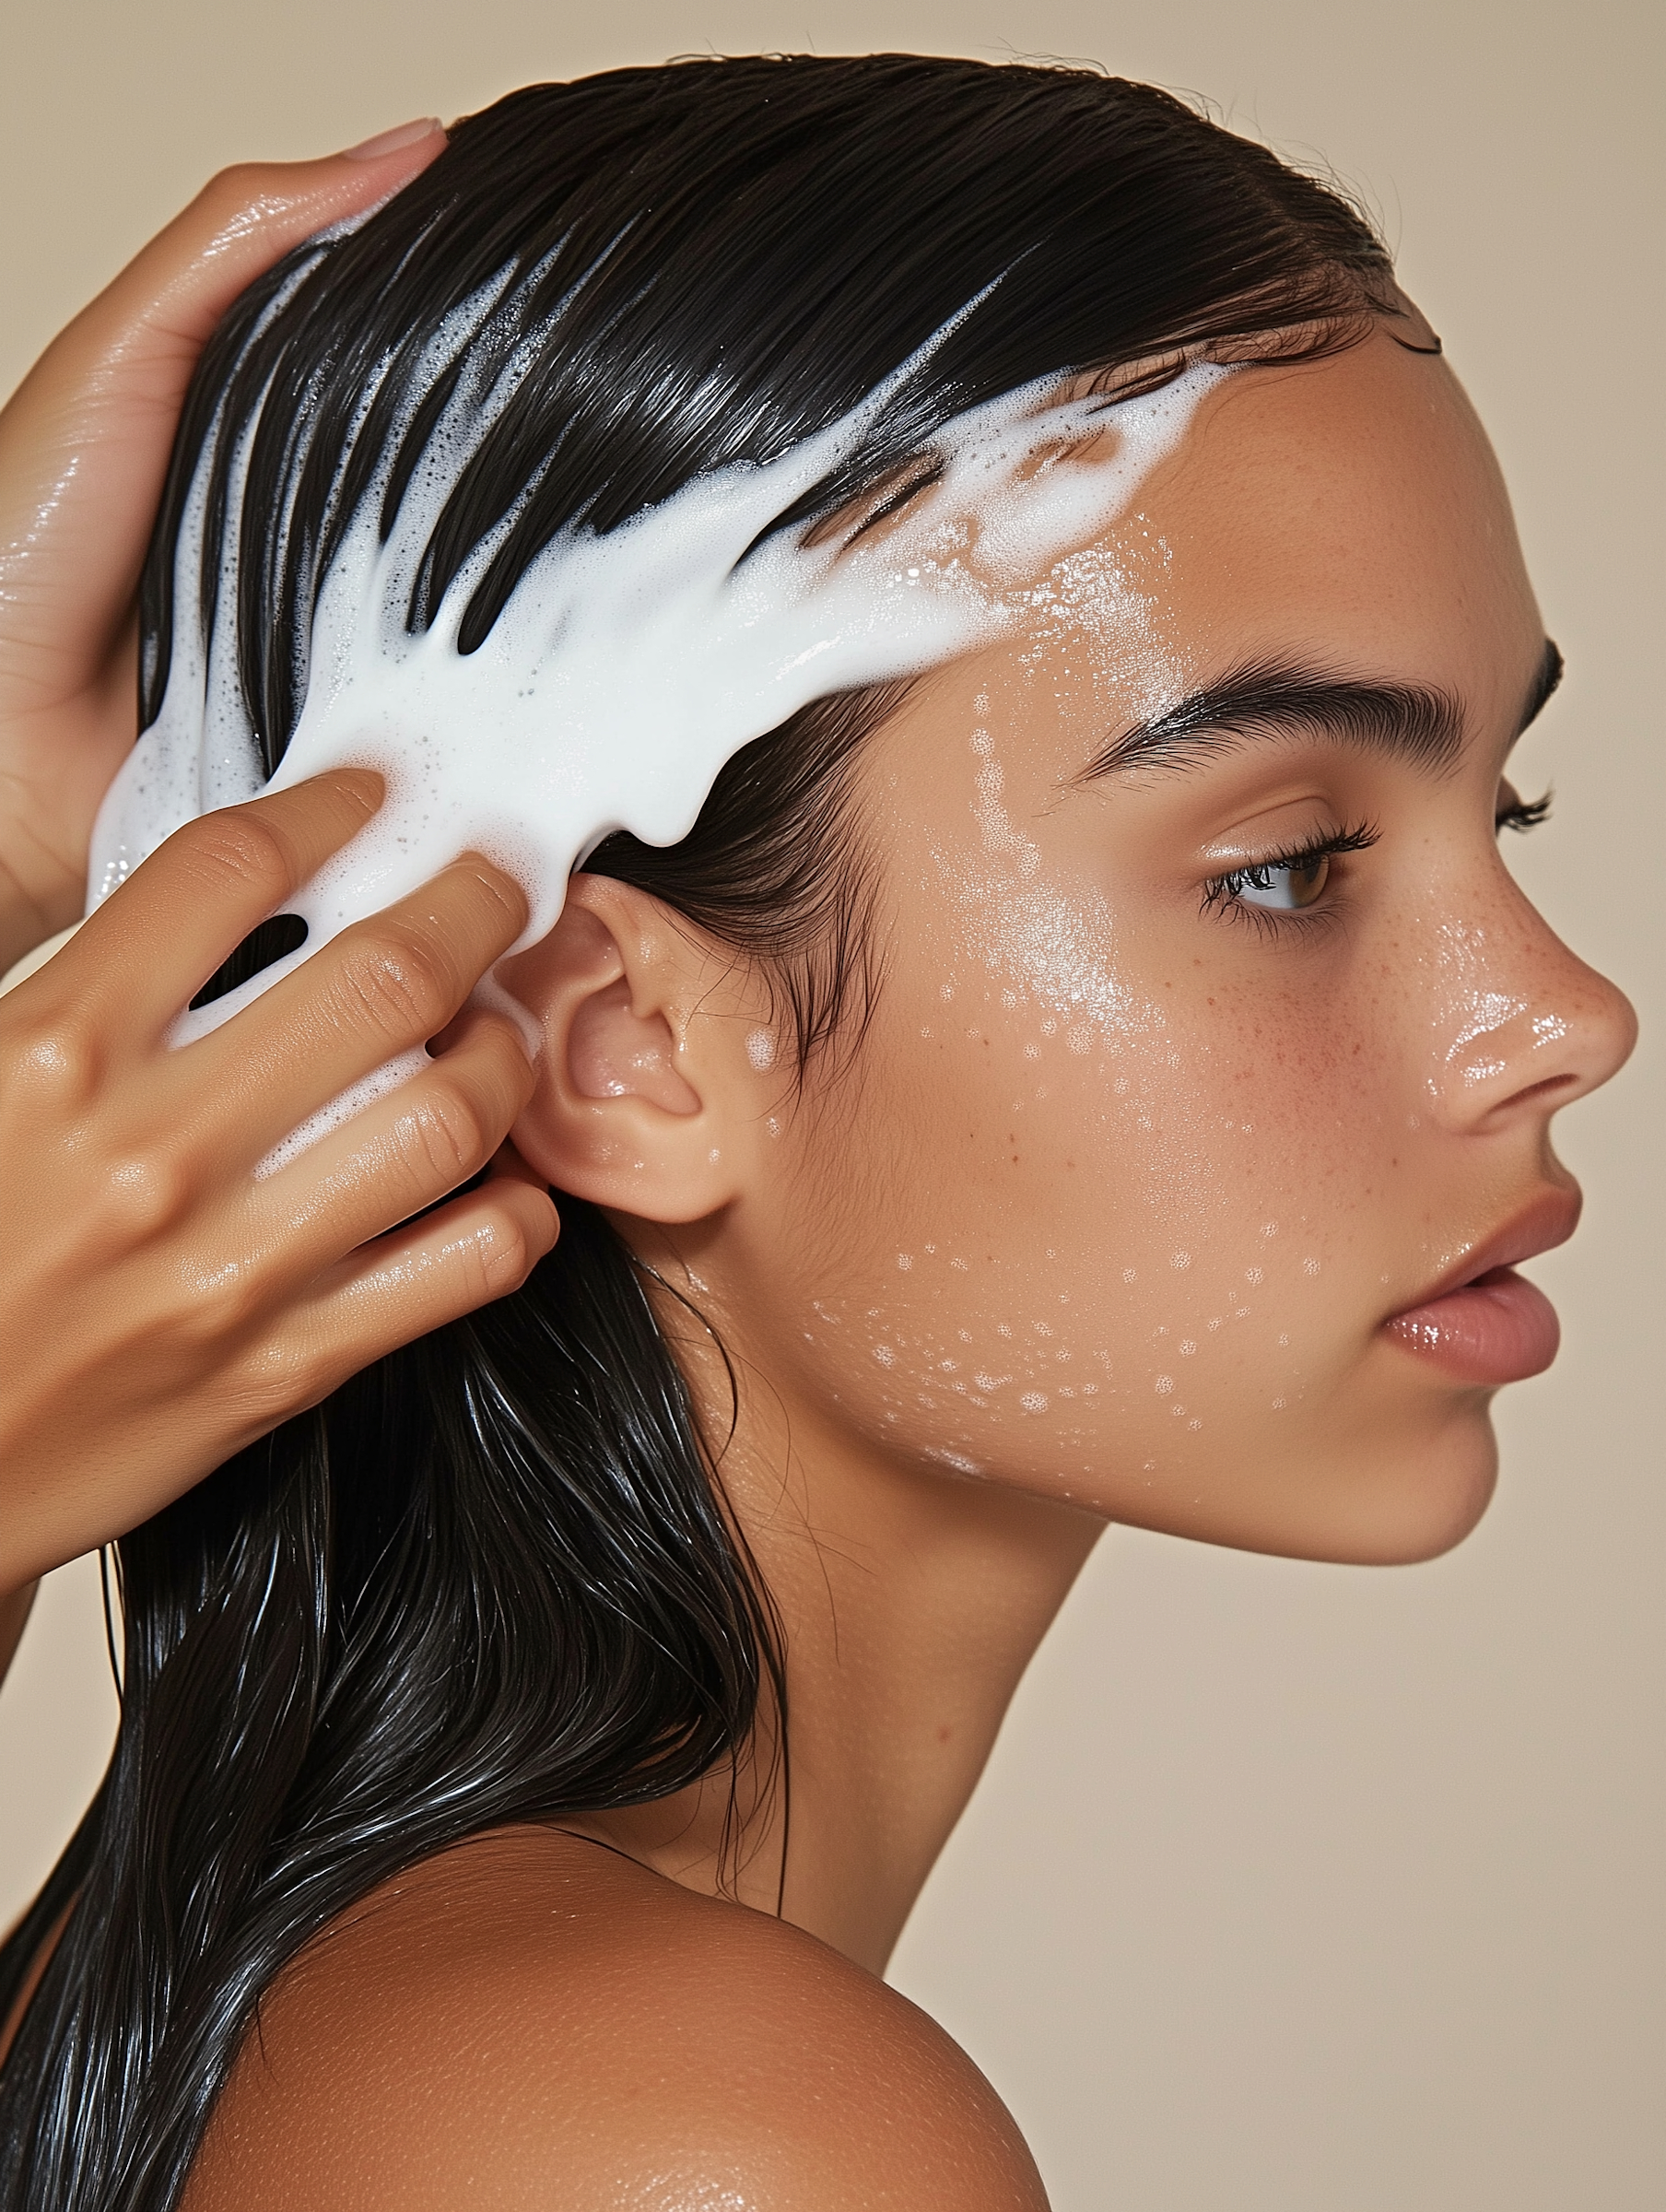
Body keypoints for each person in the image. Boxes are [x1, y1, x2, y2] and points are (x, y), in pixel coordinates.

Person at [0, 54, 1636, 2212]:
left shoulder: (238, 2016)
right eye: (1288, 865)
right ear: (623, 1048)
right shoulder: (697, 2141)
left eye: (1505, 805)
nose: (1565, 1017)